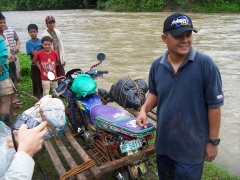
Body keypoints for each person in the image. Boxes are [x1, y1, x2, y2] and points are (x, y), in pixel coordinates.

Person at [136, 13, 224, 179]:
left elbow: (214, 106)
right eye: (178, 36)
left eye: (188, 35)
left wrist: (213, 142)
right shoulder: (157, 65)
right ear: (164, 38)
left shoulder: (206, 64)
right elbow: (155, 92)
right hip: (164, 144)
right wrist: (144, 109)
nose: (185, 40)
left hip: (191, 148)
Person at [0, 15, 16, 126]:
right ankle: (5, 125)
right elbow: (3, 55)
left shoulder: (4, 35)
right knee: (6, 101)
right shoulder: (0, 39)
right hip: (2, 75)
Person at [26, 24, 43, 99]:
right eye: (31, 32)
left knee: (43, 79)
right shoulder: (28, 43)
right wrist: (40, 51)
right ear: (28, 33)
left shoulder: (41, 41)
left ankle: (43, 94)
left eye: (34, 32)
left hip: (42, 63)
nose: (33, 33)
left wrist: (37, 51)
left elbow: (44, 50)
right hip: (35, 64)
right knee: (36, 80)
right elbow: (34, 54)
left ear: (37, 32)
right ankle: (38, 95)